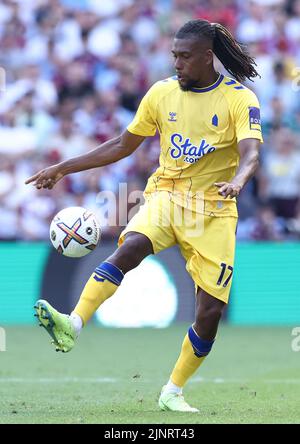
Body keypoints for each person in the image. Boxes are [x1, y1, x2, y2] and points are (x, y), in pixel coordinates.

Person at [25, 19, 263, 413]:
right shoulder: (162, 93)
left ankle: (172, 390)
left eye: (185, 57)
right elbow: (123, 144)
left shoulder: (240, 100)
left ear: (208, 57)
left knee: (210, 311)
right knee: (131, 246)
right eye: (174, 55)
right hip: (167, 196)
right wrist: (63, 167)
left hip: (215, 211)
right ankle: (73, 324)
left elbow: (252, 152)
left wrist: (238, 180)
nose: (177, 64)